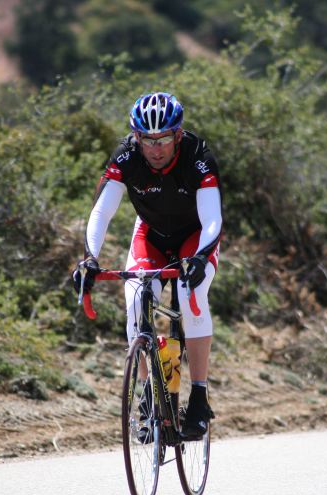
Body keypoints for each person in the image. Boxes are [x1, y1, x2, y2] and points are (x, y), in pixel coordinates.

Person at [73, 92, 222, 438]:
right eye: (148, 140)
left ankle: (198, 396)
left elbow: (213, 218)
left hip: (195, 236)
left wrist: (200, 258)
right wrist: (90, 259)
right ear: (137, 137)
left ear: (178, 135)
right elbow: (102, 211)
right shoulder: (127, 155)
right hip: (151, 235)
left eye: (164, 139)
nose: (156, 148)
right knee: (134, 297)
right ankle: (147, 396)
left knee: (190, 292)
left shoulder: (197, 155)